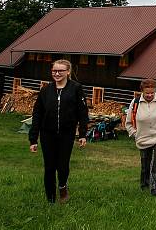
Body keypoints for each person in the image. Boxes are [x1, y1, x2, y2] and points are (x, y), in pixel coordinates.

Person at [28, 59, 89, 204]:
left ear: (68, 72)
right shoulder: (45, 90)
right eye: (54, 71)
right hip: (47, 133)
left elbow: (82, 112)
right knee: (49, 167)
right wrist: (33, 138)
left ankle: (62, 186)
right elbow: (37, 114)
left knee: (62, 165)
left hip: (66, 134)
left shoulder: (76, 88)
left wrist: (82, 134)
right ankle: (50, 199)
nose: (57, 73)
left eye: (60, 71)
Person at [125, 78, 156, 196]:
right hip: (143, 138)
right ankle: (145, 184)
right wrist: (135, 133)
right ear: (142, 91)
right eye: (147, 93)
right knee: (145, 163)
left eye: (152, 92)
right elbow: (128, 123)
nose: (150, 95)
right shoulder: (135, 103)